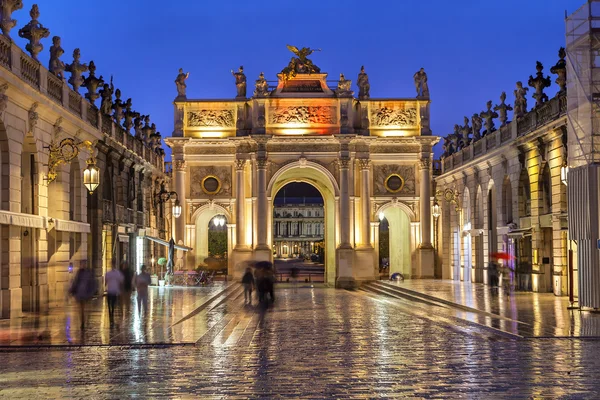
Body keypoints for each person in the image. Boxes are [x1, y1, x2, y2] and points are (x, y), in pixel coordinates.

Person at [69, 262, 97, 330]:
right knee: (81, 309)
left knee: (85, 309)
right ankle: (83, 321)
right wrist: (72, 290)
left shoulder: (87, 273)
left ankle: (85, 320)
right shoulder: (79, 273)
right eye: (81, 264)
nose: (82, 265)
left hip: (86, 294)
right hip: (79, 294)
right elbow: (75, 282)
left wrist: (92, 292)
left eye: (83, 264)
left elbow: (92, 283)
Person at [105, 260, 124, 327]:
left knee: (111, 304)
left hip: (113, 291)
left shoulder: (111, 273)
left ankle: (111, 313)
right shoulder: (115, 273)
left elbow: (106, 281)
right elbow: (121, 281)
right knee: (111, 304)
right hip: (111, 291)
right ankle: (111, 313)